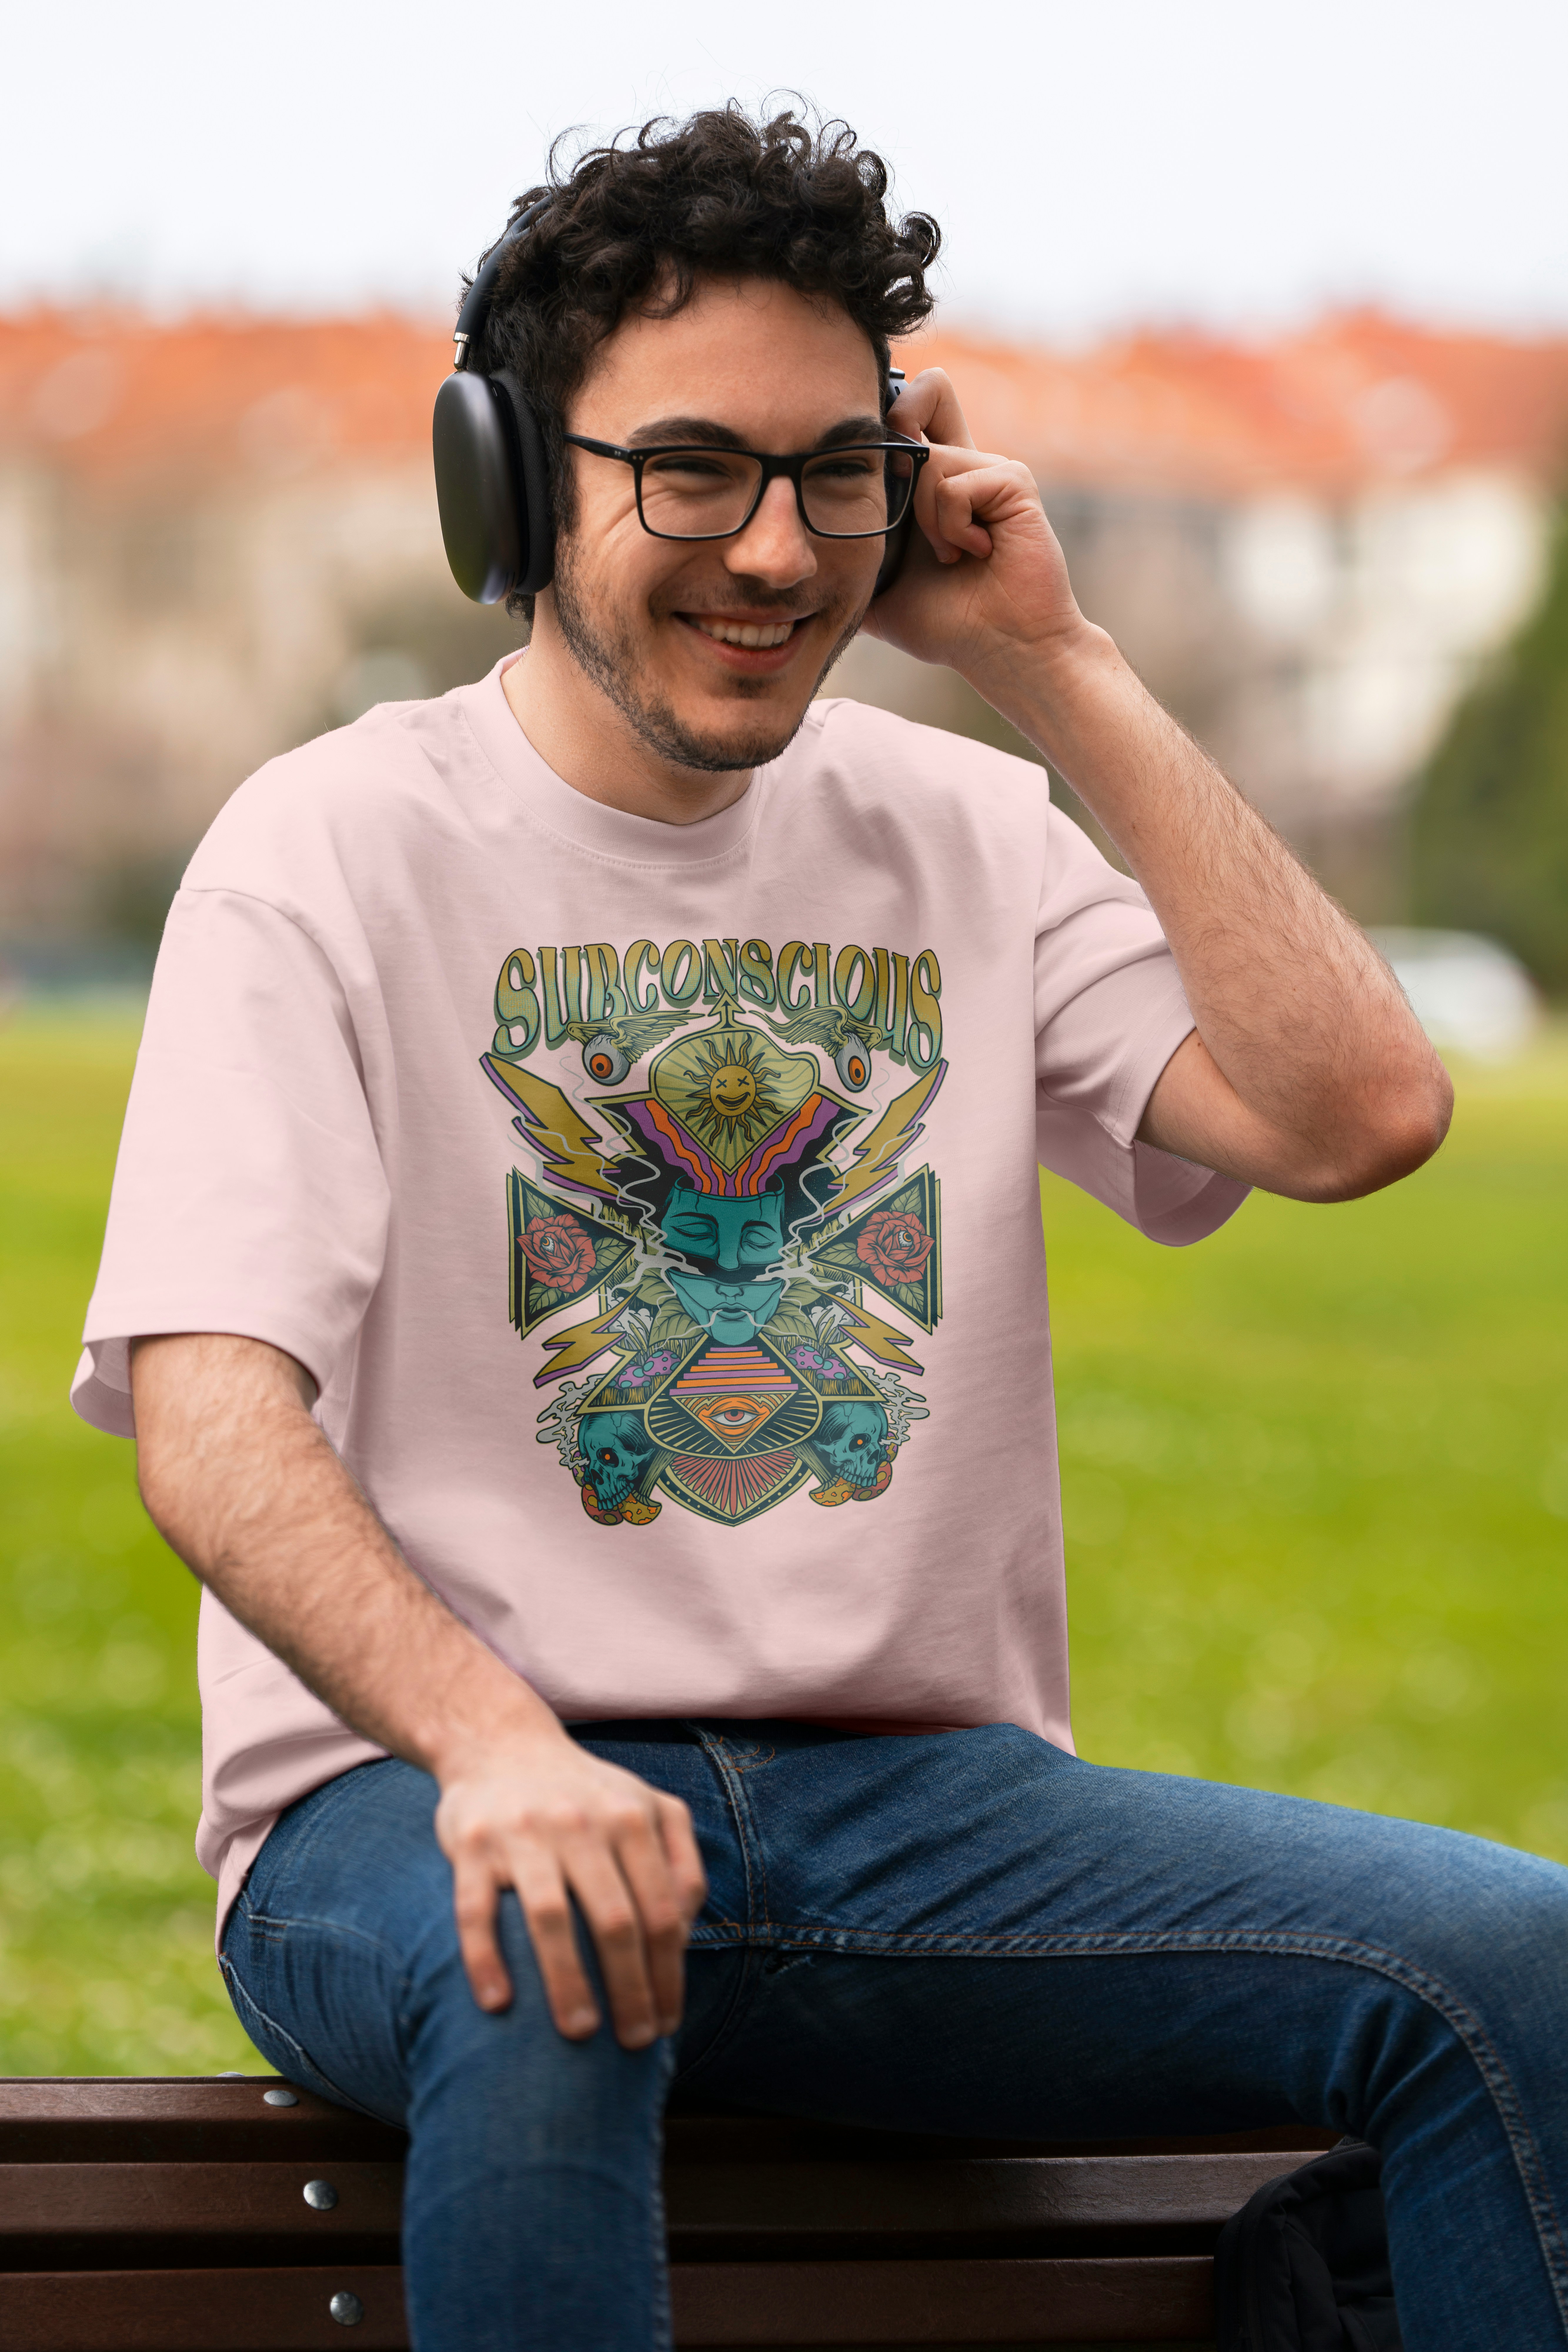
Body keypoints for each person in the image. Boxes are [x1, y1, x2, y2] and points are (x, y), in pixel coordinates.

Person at [74, 108, 1567, 2352]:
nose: (773, 551)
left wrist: (1053, 664)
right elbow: (208, 1414)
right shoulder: (327, 850)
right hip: (418, 1807)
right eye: (689, 469)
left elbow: (1358, 1112)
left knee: (1516, 1977)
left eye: (831, 473)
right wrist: (502, 1756)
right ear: (511, 484)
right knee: (558, 1964)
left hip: (916, 1820)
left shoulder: (966, 826)